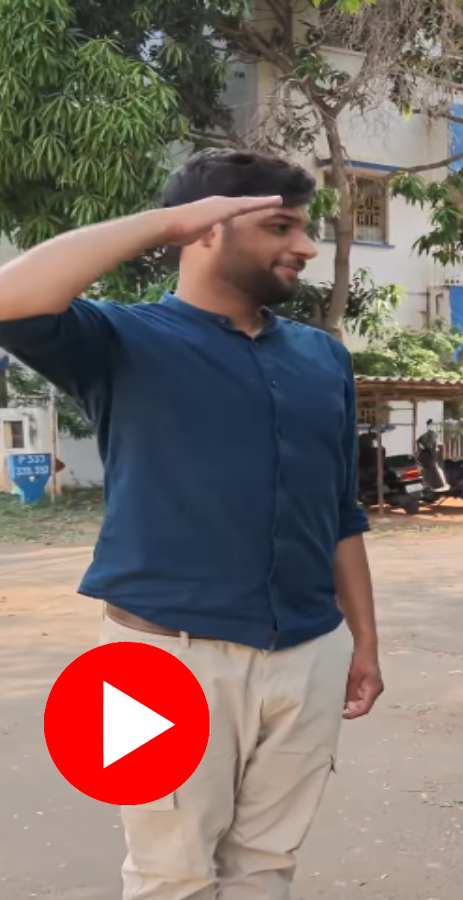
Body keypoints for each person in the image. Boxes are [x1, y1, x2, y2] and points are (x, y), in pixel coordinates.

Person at [0, 148, 384, 899]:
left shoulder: (321, 357)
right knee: (168, 873)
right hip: (154, 661)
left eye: (304, 228)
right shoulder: (120, 341)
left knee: (267, 868)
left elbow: (341, 509)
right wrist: (165, 223)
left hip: (308, 652)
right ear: (206, 230)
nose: (306, 247)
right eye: (281, 227)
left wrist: (362, 639)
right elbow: (10, 299)